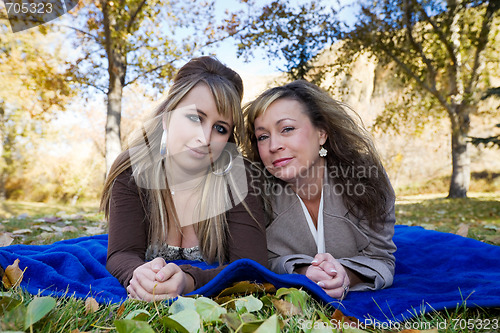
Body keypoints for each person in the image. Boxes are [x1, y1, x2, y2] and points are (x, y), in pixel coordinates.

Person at [100, 56, 267, 301]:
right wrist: (138, 275)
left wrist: (189, 281)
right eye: (195, 118)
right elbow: (122, 253)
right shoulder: (133, 169)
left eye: (220, 128)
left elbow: (252, 268)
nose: (205, 137)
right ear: (167, 117)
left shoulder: (238, 178)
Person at [243, 80, 396, 299]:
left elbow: (382, 259)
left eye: (287, 129)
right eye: (263, 136)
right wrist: (302, 272)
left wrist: (344, 275)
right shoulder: (254, 192)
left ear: (321, 133)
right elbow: (254, 260)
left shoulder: (368, 180)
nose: (273, 145)